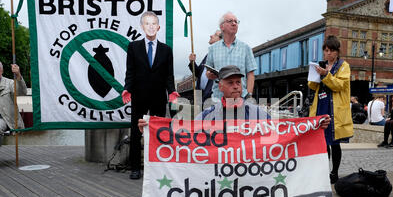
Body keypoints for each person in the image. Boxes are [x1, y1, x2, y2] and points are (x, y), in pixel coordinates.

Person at [139, 65, 331, 130]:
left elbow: (283, 130)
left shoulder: (257, 113)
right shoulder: (207, 116)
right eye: (230, 82)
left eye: (238, 82)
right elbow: (183, 135)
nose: (236, 86)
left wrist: (314, 126)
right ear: (220, 86)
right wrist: (152, 129)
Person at [122, 11, 179, 180]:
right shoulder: (133, 47)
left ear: (158, 27)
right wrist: (127, 88)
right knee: (135, 132)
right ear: (142, 26)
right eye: (147, 23)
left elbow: (169, 75)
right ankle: (135, 168)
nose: (151, 26)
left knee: (158, 132)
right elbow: (130, 72)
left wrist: (172, 91)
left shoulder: (166, 50)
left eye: (154, 23)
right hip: (139, 96)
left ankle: (156, 167)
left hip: (158, 98)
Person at [308, 35, 353, 184]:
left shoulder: (343, 66)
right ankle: (323, 171)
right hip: (322, 105)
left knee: (335, 143)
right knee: (323, 142)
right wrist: (314, 76)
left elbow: (339, 85)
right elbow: (313, 86)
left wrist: (325, 75)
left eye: (331, 50)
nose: (328, 53)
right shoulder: (321, 64)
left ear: (337, 51)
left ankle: (334, 172)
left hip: (335, 109)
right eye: (326, 50)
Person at [205, 12, 257, 102]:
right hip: (218, 99)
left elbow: (251, 74)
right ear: (222, 27)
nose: (234, 23)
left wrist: (249, 95)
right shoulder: (212, 49)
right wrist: (210, 75)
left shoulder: (246, 48)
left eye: (236, 22)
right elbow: (208, 73)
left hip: (241, 98)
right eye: (230, 21)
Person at [188, 30, 222, 104]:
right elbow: (198, 73)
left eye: (215, 35)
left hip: (211, 97)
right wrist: (192, 62)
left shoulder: (222, 56)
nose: (211, 36)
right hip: (200, 95)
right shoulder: (208, 55)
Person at [0, 62, 27, 135]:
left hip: (7, 122)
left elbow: (22, 92)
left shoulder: (9, 83)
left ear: (1, 71)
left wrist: (18, 75)